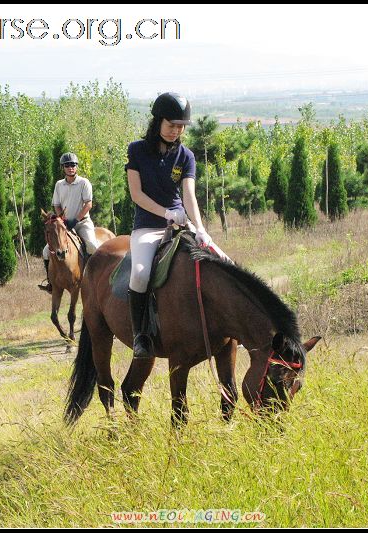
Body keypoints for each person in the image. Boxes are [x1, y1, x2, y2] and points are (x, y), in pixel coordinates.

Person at [125, 92, 230, 359]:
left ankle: (231, 327)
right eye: (171, 125)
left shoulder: (186, 156)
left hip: (181, 224)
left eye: (181, 126)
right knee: (139, 273)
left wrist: (201, 228)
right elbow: (136, 195)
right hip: (148, 227)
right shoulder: (136, 150)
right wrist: (165, 213)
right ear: (158, 122)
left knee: (225, 260)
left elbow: (189, 195)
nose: (176, 131)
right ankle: (141, 337)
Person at [38, 152, 100, 293]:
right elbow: (57, 204)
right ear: (63, 168)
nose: (70, 167)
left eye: (73, 165)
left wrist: (76, 220)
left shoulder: (84, 183)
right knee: (46, 251)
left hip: (82, 222)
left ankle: (93, 279)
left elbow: (88, 204)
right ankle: (50, 282)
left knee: (92, 246)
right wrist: (62, 219)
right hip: (64, 224)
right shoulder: (59, 185)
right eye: (67, 165)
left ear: (76, 167)